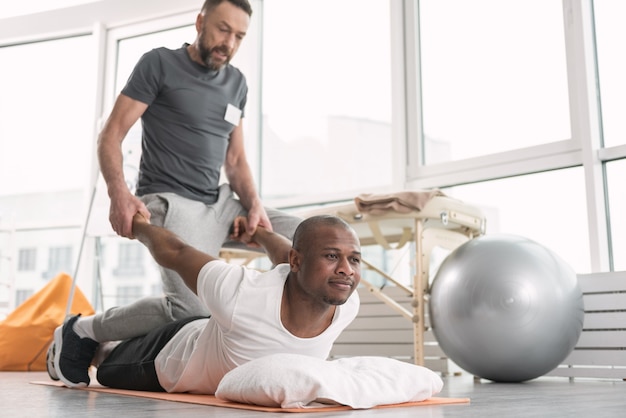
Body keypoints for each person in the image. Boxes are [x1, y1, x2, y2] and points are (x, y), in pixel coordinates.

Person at [92, 0, 302, 342]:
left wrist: (254, 206)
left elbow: (234, 160)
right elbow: (111, 134)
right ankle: (84, 330)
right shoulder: (158, 63)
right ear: (200, 22)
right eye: (223, 29)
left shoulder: (237, 83)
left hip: (220, 204)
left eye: (239, 36)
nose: (229, 44)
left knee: (310, 242)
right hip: (172, 201)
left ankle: (276, 339)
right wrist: (119, 194)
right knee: (191, 308)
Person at [50, 214, 362, 393]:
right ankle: (79, 331)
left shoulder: (347, 303)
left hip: (212, 331)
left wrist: (260, 233)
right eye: (332, 256)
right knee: (107, 364)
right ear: (298, 260)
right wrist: (136, 225)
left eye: (354, 259)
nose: (347, 269)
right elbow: (177, 252)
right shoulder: (242, 293)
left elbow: (286, 257)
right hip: (169, 360)